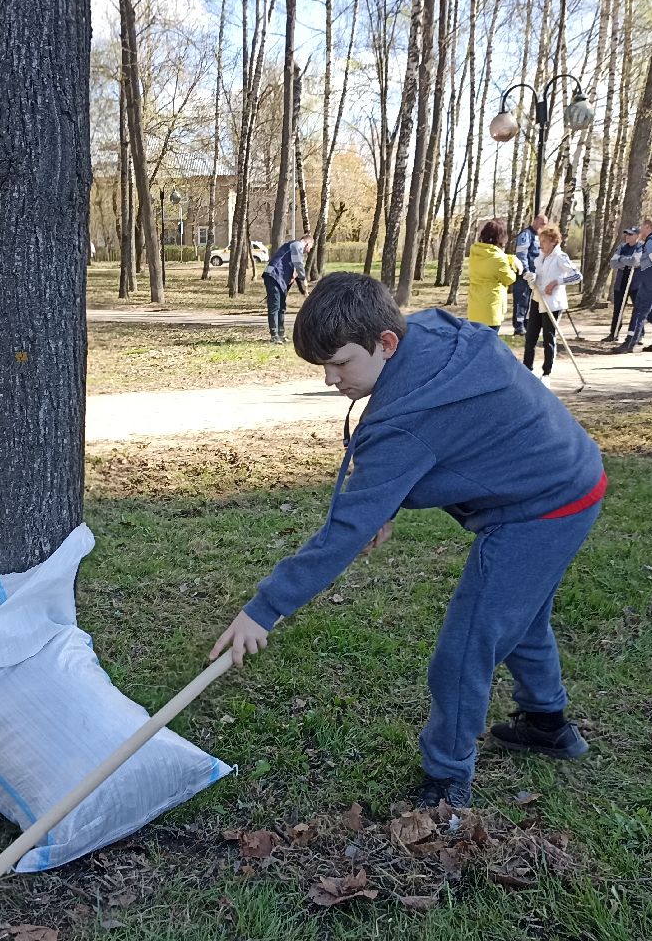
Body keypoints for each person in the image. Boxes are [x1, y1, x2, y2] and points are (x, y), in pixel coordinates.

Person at [209, 273, 607, 809]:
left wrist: (265, 608)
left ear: (385, 342)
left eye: (340, 363)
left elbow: (345, 530)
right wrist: (387, 502)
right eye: (322, 366)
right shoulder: (428, 336)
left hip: (543, 508)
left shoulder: (406, 420)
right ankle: (548, 723)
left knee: (467, 647)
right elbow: (453, 435)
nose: (330, 380)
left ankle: (447, 783)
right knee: (519, 616)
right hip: (572, 475)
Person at [521, 223, 582, 389]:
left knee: (548, 337)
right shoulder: (541, 257)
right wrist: (532, 278)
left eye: (545, 241)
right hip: (537, 300)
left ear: (554, 241)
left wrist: (557, 282)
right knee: (531, 336)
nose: (542, 245)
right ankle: (527, 370)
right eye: (540, 241)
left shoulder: (560, 258)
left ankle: (547, 372)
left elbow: (577, 276)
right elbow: (539, 277)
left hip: (553, 304)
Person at [613, 217, 652, 354]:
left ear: (647, 227)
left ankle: (630, 342)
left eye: (642, 227)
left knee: (639, 310)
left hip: (651, 279)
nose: (640, 230)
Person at [466, 219, 519, 332]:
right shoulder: (498, 259)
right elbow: (509, 279)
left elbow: (493, 258)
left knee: (476, 343)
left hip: (474, 309)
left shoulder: (476, 252)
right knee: (489, 345)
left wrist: (510, 258)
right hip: (490, 311)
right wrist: (515, 267)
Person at [263, 235, 314, 344]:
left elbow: (295, 272)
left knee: (282, 306)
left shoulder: (295, 250)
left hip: (280, 279)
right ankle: (274, 336)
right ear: (308, 243)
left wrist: (304, 291)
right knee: (275, 306)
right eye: (310, 247)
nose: (309, 251)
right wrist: (304, 278)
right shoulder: (296, 246)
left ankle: (281, 334)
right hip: (273, 276)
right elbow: (299, 265)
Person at [510, 214, 547, 335]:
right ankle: (519, 326)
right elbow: (521, 254)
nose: (544, 226)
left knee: (532, 302)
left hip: (536, 276)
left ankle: (527, 323)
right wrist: (526, 271)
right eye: (542, 223)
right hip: (524, 275)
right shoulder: (526, 234)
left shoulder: (540, 236)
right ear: (535, 221)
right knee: (522, 299)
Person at [601, 227, 639, 343]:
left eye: (630, 235)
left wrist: (622, 260)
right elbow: (613, 263)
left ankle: (637, 335)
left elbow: (635, 262)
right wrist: (626, 262)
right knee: (618, 309)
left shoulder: (640, 247)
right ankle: (614, 333)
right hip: (621, 282)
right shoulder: (622, 247)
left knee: (638, 309)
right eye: (626, 234)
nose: (627, 236)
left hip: (635, 282)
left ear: (637, 236)